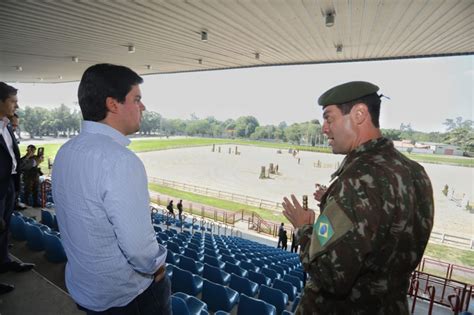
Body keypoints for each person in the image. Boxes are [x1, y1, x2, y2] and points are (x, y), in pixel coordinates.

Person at [282, 81, 434, 314]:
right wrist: (333, 202)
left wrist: (304, 228)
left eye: (329, 118)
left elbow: (331, 275)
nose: (324, 128)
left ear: (359, 114)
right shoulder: (415, 172)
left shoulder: (357, 179)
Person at [52, 64, 170, 314]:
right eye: (136, 99)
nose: (143, 107)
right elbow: (139, 249)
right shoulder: (120, 161)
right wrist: (157, 266)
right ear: (113, 104)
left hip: (86, 288)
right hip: (127, 296)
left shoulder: (66, 151)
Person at [0, 82, 35, 295]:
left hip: (9, 185)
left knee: (4, 230)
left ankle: (3, 261)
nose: (17, 106)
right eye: (13, 101)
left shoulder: (6, 126)